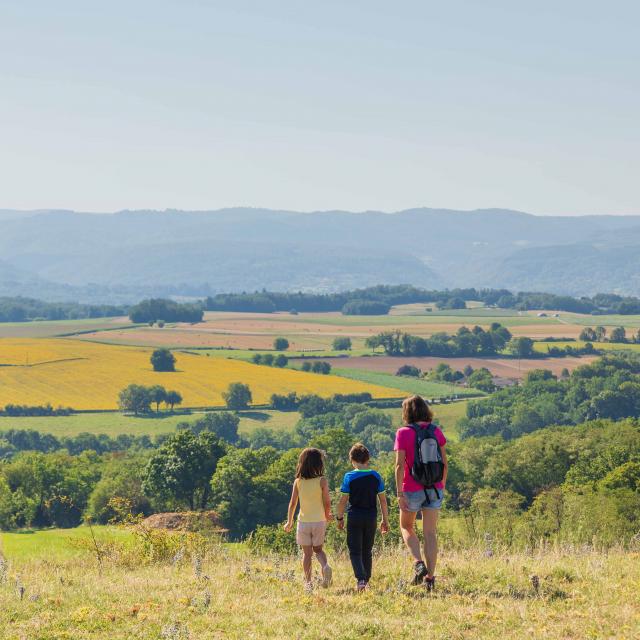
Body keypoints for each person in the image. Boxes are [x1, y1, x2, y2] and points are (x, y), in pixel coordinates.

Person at [394, 395, 448, 589]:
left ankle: (418, 563)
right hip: (434, 488)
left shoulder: (403, 433)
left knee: (406, 527)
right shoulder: (436, 431)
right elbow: (444, 462)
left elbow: (399, 466)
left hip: (411, 488)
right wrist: (440, 485)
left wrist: (399, 493)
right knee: (430, 533)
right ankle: (430, 579)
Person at [336, 443, 389, 592]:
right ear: (367, 459)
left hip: (354, 517)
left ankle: (360, 579)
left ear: (352, 459)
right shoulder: (376, 476)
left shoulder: (349, 476)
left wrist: (339, 518)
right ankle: (366, 579)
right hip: (371, 517)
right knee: (367, 550)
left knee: (355, 550)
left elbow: (343, 501)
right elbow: (383, 500)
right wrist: (385, 520)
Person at [284, 447, 333, 591]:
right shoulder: (322, 481)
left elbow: (293, 503)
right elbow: (327, 502)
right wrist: (327, 514)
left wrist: (289, 521)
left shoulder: (298, 482)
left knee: (307, 554)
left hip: (303, 522)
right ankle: (325, 566)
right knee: (318, 550)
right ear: (319, 464)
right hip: (319, 521)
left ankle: (308, 583)